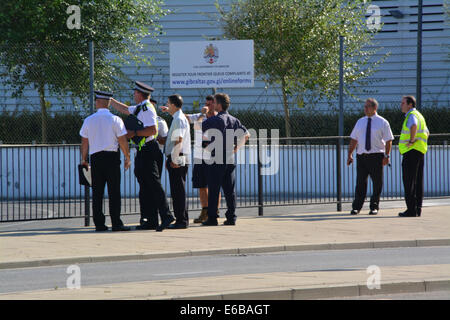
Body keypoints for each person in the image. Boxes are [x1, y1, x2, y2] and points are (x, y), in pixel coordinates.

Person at [110, 81, 174, 231]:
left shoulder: (146, 108)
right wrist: (111, 101)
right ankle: (151, 220)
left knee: (154, 184)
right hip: (143, 150)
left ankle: (166, 215)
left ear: (140, 94)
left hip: (149, 150)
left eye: (135, 93)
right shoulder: (140, 107)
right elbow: (125, 109)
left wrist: (135, 133)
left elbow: (152, 130)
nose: (133, 95)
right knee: (145, 186)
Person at [79, 91, 131, 232]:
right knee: (114, 191)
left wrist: (84, 159)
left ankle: (99, 224)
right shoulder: (116, 120)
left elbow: (84, 142)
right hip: (112, 158)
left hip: (95, 158)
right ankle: (116, 223)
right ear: (108, 103)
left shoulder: (89, 120)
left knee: (97, 193)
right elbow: (122, 141)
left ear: (97, 102)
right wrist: (127, 157)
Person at [201, 93, 250, 226]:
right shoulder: (234, 120)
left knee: (214, 188)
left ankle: (212, 218)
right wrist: (236, 149)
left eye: (215, 102)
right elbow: (246, 135)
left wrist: (202, 114)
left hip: (216, 156)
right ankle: (231, 217)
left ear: (219, 105)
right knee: (229, 189)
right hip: (229, 156)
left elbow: (200, 127)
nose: (213, 105)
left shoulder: (216, 120)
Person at [347, 98, 394, 215]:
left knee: (377, 182)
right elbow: (354, 139)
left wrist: (387, 156)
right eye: (365, 106)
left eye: (367, 106)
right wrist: (350, 154)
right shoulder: (360, 121)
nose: (365, 108)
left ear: (374, 108)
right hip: (362, 156)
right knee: (360, 182)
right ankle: (356, 207)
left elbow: (389, 140)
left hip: (376, 156)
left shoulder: (382, 122)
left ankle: (374, 206)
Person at [185, 95, 221, 223]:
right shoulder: (200, 116)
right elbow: (185, 118)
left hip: (213, 156)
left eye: (210, 104)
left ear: (215, 105)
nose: (207, 106)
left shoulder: (219, 118)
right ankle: (205, 210)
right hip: (199, 156)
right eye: (206, 104)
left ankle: (215, 210)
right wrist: (170, 109)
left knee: (214, 185)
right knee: (201, 184)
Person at [398, 95, 429, 217]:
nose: (401, 105)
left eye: (403, 103)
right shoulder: (420, 115)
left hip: (411, 152)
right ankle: (418, 208)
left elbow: (414, 126)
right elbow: (427, 132)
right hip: (420, 151)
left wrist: (411, 141)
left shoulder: (411, 116)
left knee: (409, 181)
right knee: (418, 181)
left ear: (410, 104)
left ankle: (411, 209)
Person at [164, 94, 191, 229]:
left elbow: (178, 140)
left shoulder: (179, 119)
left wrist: (173, 158)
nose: (167, 105)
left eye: (168, 103)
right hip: (178, 155)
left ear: (174, 105)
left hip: (178, 155)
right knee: (177, 189)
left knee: (178, 190)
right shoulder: (178, 117)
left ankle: (181, 220)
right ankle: (181, 219)